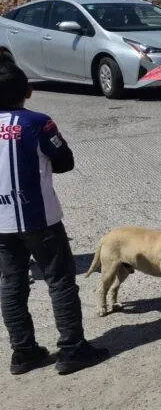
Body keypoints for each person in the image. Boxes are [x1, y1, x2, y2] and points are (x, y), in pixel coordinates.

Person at [0, 62, 110, 376]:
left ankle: (23, 352)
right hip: (39, 217)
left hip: (1, 220)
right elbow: (64, 161)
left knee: (12, 284)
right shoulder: (38, 122)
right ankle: (72, 349)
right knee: (60, 281)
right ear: (27, 92)